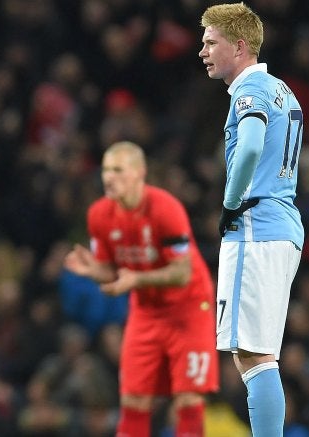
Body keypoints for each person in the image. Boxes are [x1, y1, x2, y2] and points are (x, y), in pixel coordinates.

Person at [199, 3, 305, 436]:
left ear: (239, 46)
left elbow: (249, 147)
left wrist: (229, 203)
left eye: (211, 42)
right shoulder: (284, 90)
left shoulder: (251, 90)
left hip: (257, 227)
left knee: (252, 356)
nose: (202, 51)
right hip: (283, 226)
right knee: (259, 355)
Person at [64, 141, 218, 437]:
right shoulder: (98, 215)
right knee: (134, 397)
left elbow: (182, 272)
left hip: (188, 308)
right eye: (106, 170)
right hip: (146, 310)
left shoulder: (166, 209)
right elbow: (113, 271)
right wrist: (96, 272)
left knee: (188, 396)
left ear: (139, 173)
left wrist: (136, 280)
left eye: (118, 170)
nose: (108, 177)